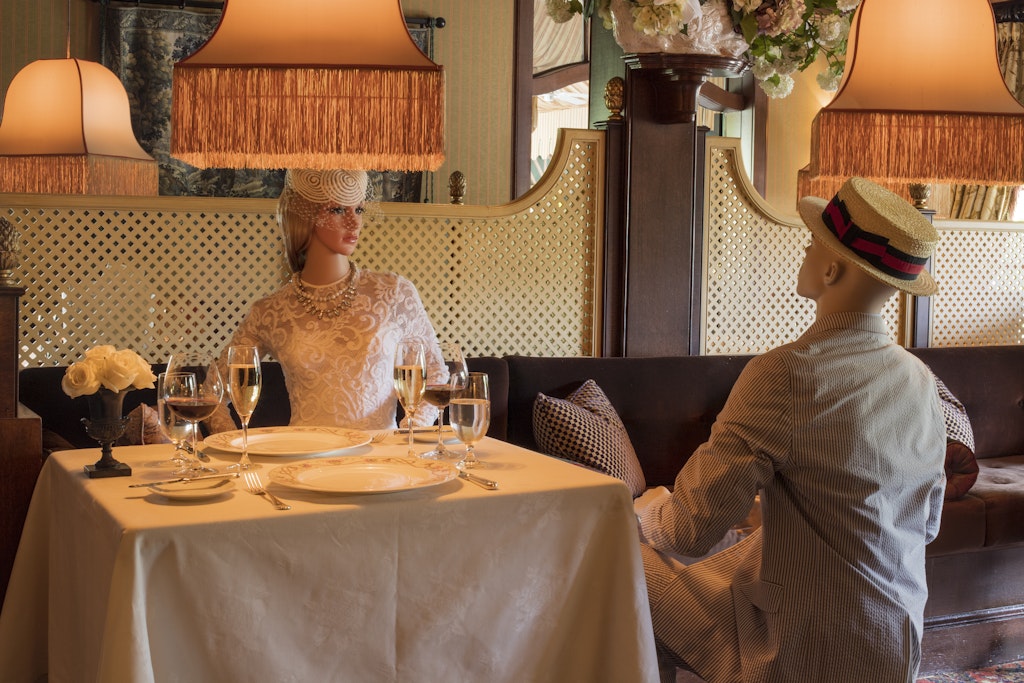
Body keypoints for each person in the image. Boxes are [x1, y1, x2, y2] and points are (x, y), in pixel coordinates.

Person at [635, 177, 947, 682]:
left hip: (797, 649)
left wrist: (641, 512)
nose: (803, 252)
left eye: (810, 244)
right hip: (893, 640)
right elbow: (925, 524)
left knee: (619, 556)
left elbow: (689, 532)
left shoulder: (786, 372)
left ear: (830, 268)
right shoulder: (921, 381)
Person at [210, 169, 443, 433]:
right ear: (304, 214)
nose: (354, 223)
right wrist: (235, 448)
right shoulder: (270, 311)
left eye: (358, 210)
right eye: (337, 211)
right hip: (304, 461)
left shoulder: (394, 293)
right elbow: (211, 393)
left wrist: (410, 431)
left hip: (380, 463)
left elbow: (436, 374)